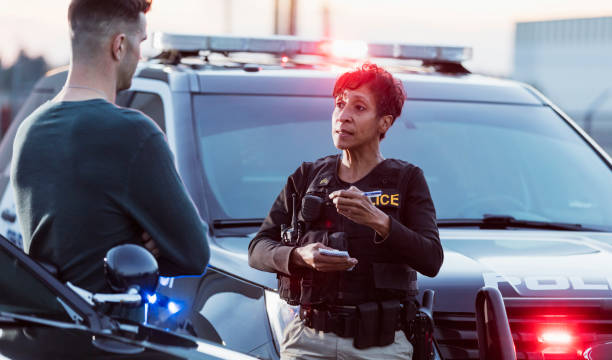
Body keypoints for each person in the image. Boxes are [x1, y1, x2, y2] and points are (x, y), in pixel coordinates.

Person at [10, 0, 210, 294]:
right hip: (109, 333)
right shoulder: (133, 134)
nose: (141, 55)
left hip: (45, 329)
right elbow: (194, 254)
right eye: (140, 42)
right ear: (119, 46)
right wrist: (148, 243)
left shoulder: (28, 130)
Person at [248, 63, 443, 359]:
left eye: (359, 107)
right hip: (307, 341)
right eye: (339, 105)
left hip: (380, 348)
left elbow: (431, 259)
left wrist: (379, 221)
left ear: (384, 123)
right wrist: (300, 256)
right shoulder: (307, 176)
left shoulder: (407, 180)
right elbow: (257, 248)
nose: (344, 116)